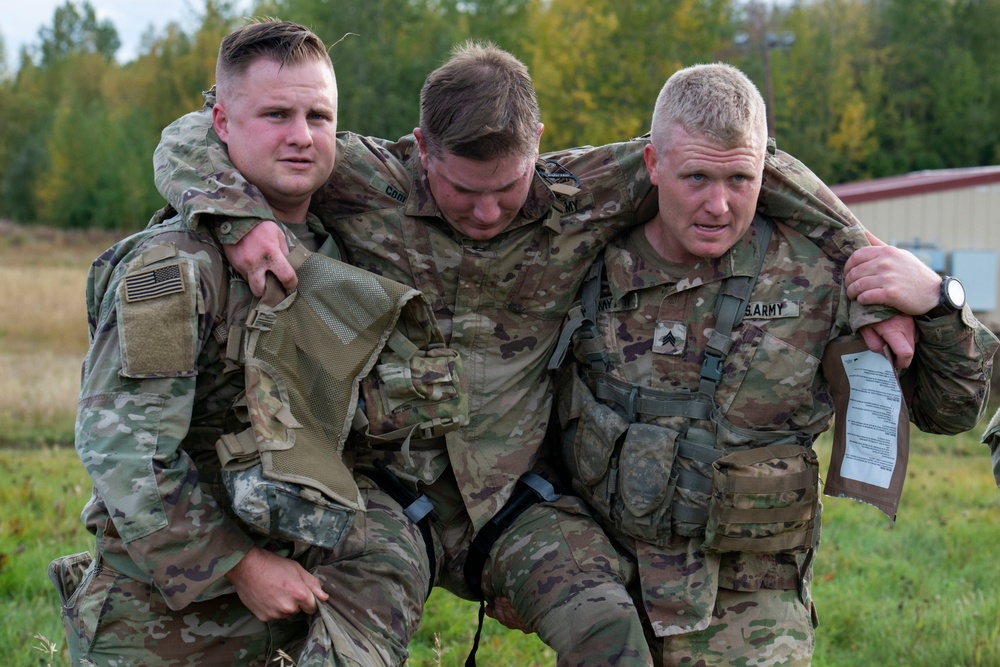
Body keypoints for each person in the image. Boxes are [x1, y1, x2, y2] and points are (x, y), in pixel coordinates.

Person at [152, 42, 917, 666]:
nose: (486, 212)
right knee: (348, 645)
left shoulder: (582, 192)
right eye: (460, 190)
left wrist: (872, 268)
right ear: (422, 150)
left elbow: (754, 161)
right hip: (383, 489)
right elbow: (196, 132)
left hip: (517, 503)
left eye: (507, 187)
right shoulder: (367, 179)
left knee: (609, 632)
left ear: (539, 148)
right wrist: (236, 214)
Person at [552, 63, 999, 667]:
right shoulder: (585, 262)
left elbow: (952, 413)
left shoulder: (820, 274)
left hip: (754, 619)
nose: (718, 204)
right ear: (653, 166)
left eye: (741, 178)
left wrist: (942, 303)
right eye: (696, 177)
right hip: (610, 603)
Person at [48, 20, 434, 666]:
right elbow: (123, 449)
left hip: (288, 605)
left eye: (318, 115)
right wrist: (239, 565)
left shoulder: (330, 242)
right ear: (221, 124)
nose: (301, 135)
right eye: (276, 114)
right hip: (166, 625)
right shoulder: (173, 270)